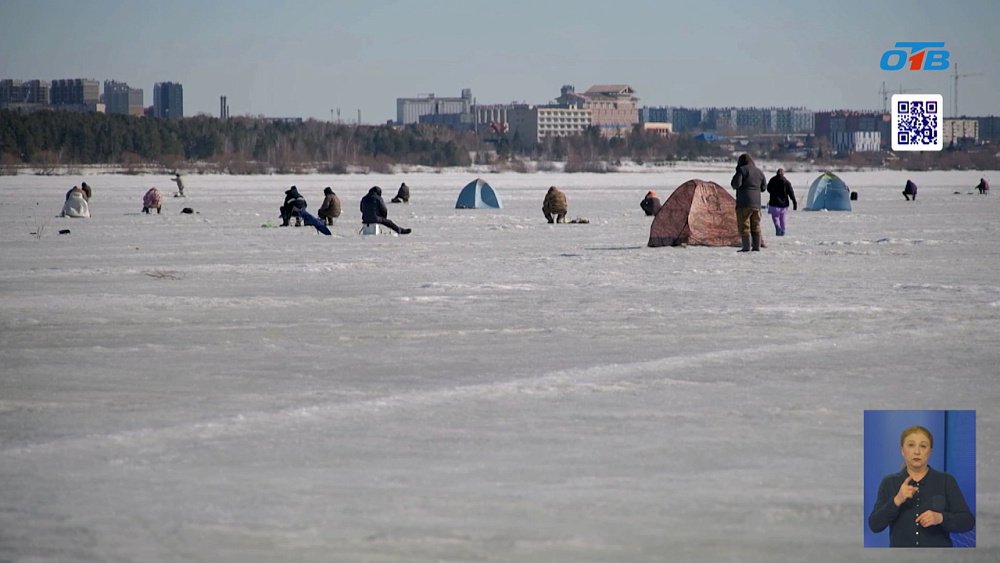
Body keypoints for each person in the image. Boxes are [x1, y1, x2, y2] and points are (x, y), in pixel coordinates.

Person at [868, 425, 975, 547]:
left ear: (930, 451)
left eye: (923, 446)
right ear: (902, 450)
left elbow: (968, 521)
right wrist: (897, 500)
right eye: (911, 445)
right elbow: (874, 525)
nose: (917, 451)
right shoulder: (889, 482)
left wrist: (940, 518)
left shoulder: (946, 481)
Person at [730, 153, 766, 251]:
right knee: (756, 225)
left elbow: (736, 184)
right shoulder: (759, 172)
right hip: (757, 204)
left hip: (744, 203)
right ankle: (756, 247)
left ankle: (746, 247)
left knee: (744, 225)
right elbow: (763, 188)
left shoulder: (742, 170)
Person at [766, 168, 797, 236]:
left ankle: (778, 227)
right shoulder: (787, 182)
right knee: (783, 217)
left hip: (774, 203)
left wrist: (773, 192)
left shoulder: (772, 180)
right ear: (783, 174)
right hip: (784, 204)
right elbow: (791, 193)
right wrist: (794, 202)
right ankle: (783, 229)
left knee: (775, 217)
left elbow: (768, 189)